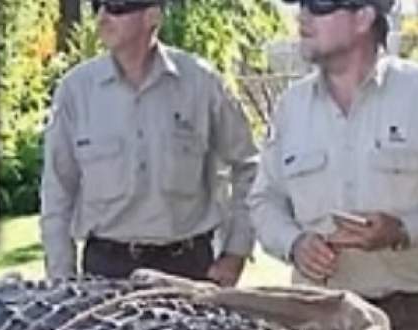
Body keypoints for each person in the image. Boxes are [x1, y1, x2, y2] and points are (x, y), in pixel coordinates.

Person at [248, 0, 418, 330]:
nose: (302, 17)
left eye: (318, 6)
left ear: (364, 17)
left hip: (410, 324)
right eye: (301, 6)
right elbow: (264, 201)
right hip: (318, 322)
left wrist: (405, 230)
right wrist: (295, 244)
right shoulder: (292, 107)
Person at [40, 0, 259, 286]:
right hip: (106, 272)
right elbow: (57, 192)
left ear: (152, 15)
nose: (103, 16)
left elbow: (249, 167)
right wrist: (62, 279)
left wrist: (235, 254)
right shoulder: (76, 91)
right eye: (97, 5)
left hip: (188, 269)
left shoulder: (200, 84)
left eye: (116, 7)